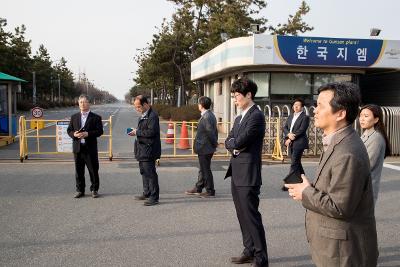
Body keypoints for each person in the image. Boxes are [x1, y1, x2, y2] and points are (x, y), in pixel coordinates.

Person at [285, 82, 378, 266]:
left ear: (341, 113)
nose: (315, 111)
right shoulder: (338, 141)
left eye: (320, 105)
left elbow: (340, 207)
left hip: (343, 253)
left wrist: (306, 192)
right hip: (334, 246)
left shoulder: (347, 152)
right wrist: (310, 188)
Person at [225, 78, 268, 267]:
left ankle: (261, 257)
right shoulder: (239, 117)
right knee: (241, 214)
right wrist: (234, 146)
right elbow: (229, 140)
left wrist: (234, 144)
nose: (234, 100)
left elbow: (241, 140)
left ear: (249, 95)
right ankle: (248, 250)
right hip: (237, 172)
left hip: (248, 174)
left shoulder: (256, 116)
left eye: (237, 96)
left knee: (251, 216)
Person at [67, 94, 103, 198]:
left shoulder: (95, 117)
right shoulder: (74, 117)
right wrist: (74, 134)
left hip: (90, 148)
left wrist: (88, 134)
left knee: (93, 170)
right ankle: (80, 190)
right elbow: (69, 130)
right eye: (81, 102)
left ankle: (94, 189)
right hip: (78, 148)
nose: (82, 104)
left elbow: (100, 131)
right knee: (78, 171)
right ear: (78, 104)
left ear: (89, 103)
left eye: (85, 102)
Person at [128, 95, 161, 206]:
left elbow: (151, 132)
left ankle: (154, 197)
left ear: (146, 104)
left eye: (139, 107)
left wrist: (137, 132)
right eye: (136, 107)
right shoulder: (142, 116)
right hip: (142, 149)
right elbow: (143, 130)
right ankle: (146, 192)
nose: (137, 109)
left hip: (149, 149)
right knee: (143, 172)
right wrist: (136, 131)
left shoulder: (153, 116)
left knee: (150, 173)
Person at [185, 96, 218, 197]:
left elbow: (211, 132)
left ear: (202, 105)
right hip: (206, 147)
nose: (198, 105)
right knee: (203, 168)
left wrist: (214, 143)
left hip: (205, 147)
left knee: (205, 169)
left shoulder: (207, 116)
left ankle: (210, 190)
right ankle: (198, 188)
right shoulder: (209, 114)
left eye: (199, 103)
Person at [359, 104, 391, 204]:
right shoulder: (366, 134)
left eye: (366, 116)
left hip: (366, 190)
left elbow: (367, 165)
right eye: (361, 115)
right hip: (360, 187)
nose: (362, 119)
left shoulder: (376, 138)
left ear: (376, 119)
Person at [282, 98, 310, 190]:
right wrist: (288, 135)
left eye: (298, 105)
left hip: (299, 142)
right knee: (297, 162)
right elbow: (285, 127)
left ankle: (288, 183)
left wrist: (291, 138)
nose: (296, 106)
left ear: (302, 107)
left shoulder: (305, 117)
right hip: (291, 142)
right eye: (294, 105)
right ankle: (303, 179)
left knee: (294, 162)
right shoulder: (290, 116)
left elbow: (301, 130)